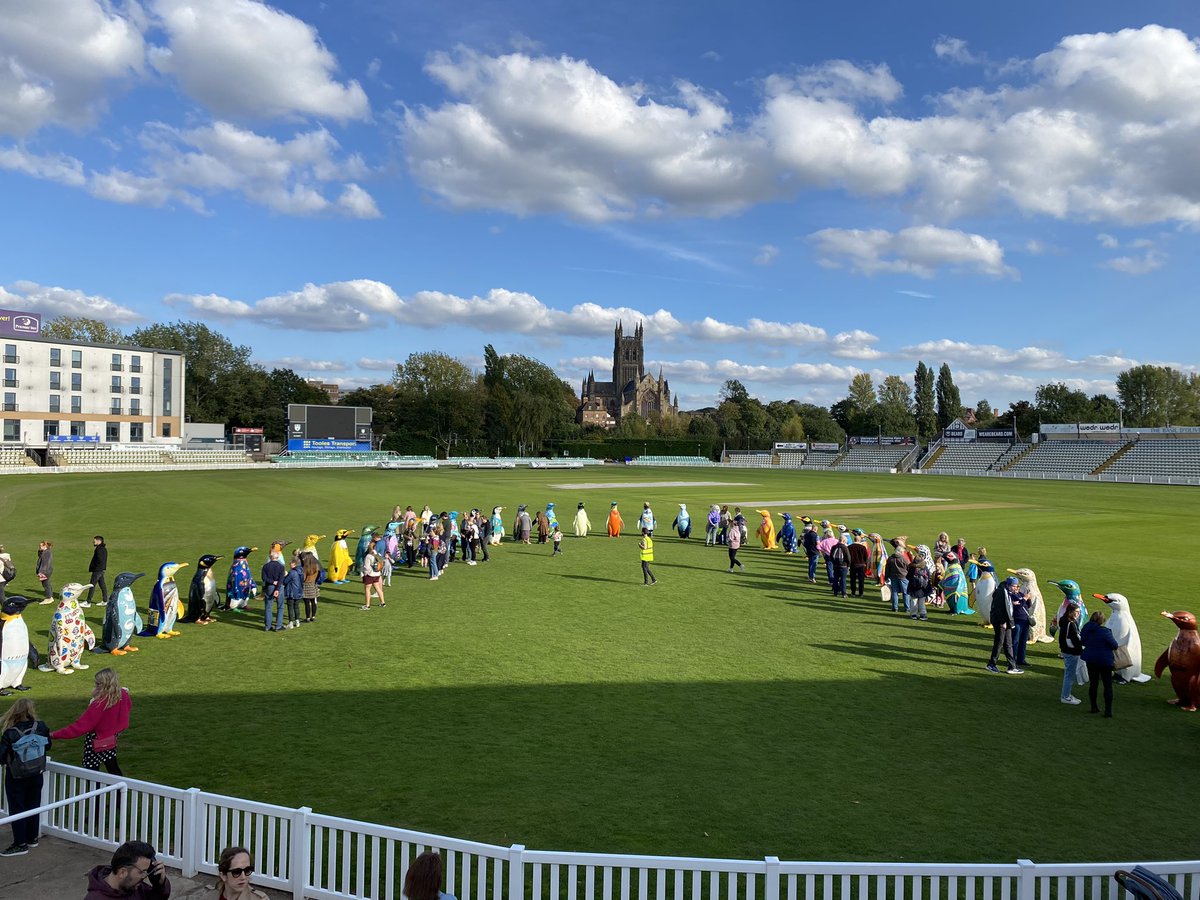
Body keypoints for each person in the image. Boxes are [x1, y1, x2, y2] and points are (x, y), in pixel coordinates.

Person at [51, 667, 131, 773]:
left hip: (96, 738)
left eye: (98, 684)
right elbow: (127, 709)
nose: (96, 686)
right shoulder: (122, 694)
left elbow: (80, 727)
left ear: (105, 684)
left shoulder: (99, 703)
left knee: (92, 769)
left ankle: (97, 789)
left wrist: (54, 735)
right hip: (112, 736)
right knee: (112, 765)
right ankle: (120, 789)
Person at [0, 698, 52, 857]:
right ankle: (32, 837)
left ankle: (20, 844)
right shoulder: (41, 727)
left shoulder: (11, 733)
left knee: (18, 808)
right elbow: (48, 745)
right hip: (36, 773)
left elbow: (1, 757)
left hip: (16, 775)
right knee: (33, 805)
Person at [84, 840, 170, 900]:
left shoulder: (132, 886)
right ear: (122, 872)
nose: (144, 876)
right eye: (141, 872)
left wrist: (160, 884)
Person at [1081, 609, 1118, 717]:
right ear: (1102, 621)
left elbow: (1082, 641)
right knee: (1107, 685)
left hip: (1091, 660)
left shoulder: (1086, 629)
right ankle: (1108, 710)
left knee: (1093, 684)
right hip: (1105, 661)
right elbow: (1114, 645)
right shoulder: (1105, 631)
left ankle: (1094, 706)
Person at [986, 576, 1023, 674]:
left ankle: (1011, 666)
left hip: (1006, 621)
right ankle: (991, 664)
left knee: (1008, 644)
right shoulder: (1001, 592)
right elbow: (998, 608)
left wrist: (1012, 602)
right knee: (999, 643)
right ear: (1008, 585)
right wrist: (1003, 622)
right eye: (1014, 586)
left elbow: (1005, 605)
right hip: (1001, 622)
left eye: (1017, 586)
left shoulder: (1005, 591)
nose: (1016, 588)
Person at [1058, 603, 1083, 705]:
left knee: (1069, 674)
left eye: (1079, 612)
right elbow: (1076, 640)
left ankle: (1067, 695)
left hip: (1066, 650)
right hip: (1071, 651)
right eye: (1076, 612)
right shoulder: (1071, 624)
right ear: (1070, 612)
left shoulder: (1064, 621)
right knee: (1069, 675)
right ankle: (1065, 696)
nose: (1078, 614)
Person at [260, 549, 286, 632]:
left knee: (268, 607)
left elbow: (264, 578)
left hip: (269, 587)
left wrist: (272, 582)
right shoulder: (281, 566)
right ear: (277, 557)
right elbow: (281, 579)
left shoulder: (266, 566)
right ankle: (278, 626)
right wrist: (277, 589)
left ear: (270, 557)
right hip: (279, 587)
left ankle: (267, 626)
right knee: (280, 606)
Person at [360, 538, 385, 609]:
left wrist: (364, 574)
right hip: (377, 574)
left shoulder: (368, 556)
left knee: (367, 589)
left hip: (370, 575)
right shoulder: (378, 554)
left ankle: (367, 605)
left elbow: (366, 567)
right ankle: (383, 603)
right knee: (378, 588)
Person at [906, 554, 932, 620]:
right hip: (922, 588)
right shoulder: (925, 567)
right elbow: (929, 576)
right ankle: (922, 615)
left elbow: (908, 577)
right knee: (922, 602)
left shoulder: (911, 567)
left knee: (913, 601)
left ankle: (913, 614)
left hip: (913, 587)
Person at [85, 535, 108, 609]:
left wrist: (95, 567)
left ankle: (88, 602)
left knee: (92, 585)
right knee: (102, 585)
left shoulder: (99, 549)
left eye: (94, 541)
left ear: (99, 541)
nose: (93, 542)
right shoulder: (103, 549)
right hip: (101, 570)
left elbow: (100, 560)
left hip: (97, 570)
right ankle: (105, 600)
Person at [283, 553, 303, 630]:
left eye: (290, 563)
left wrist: (285, 575)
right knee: (296, 607)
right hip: (298, 591)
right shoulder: (301, 571)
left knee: (290, 607)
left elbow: (285, 581)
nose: (289, 564)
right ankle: (297, 621)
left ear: (294, 563)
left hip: (291, 592)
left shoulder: (292, 572)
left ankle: (291, 623)